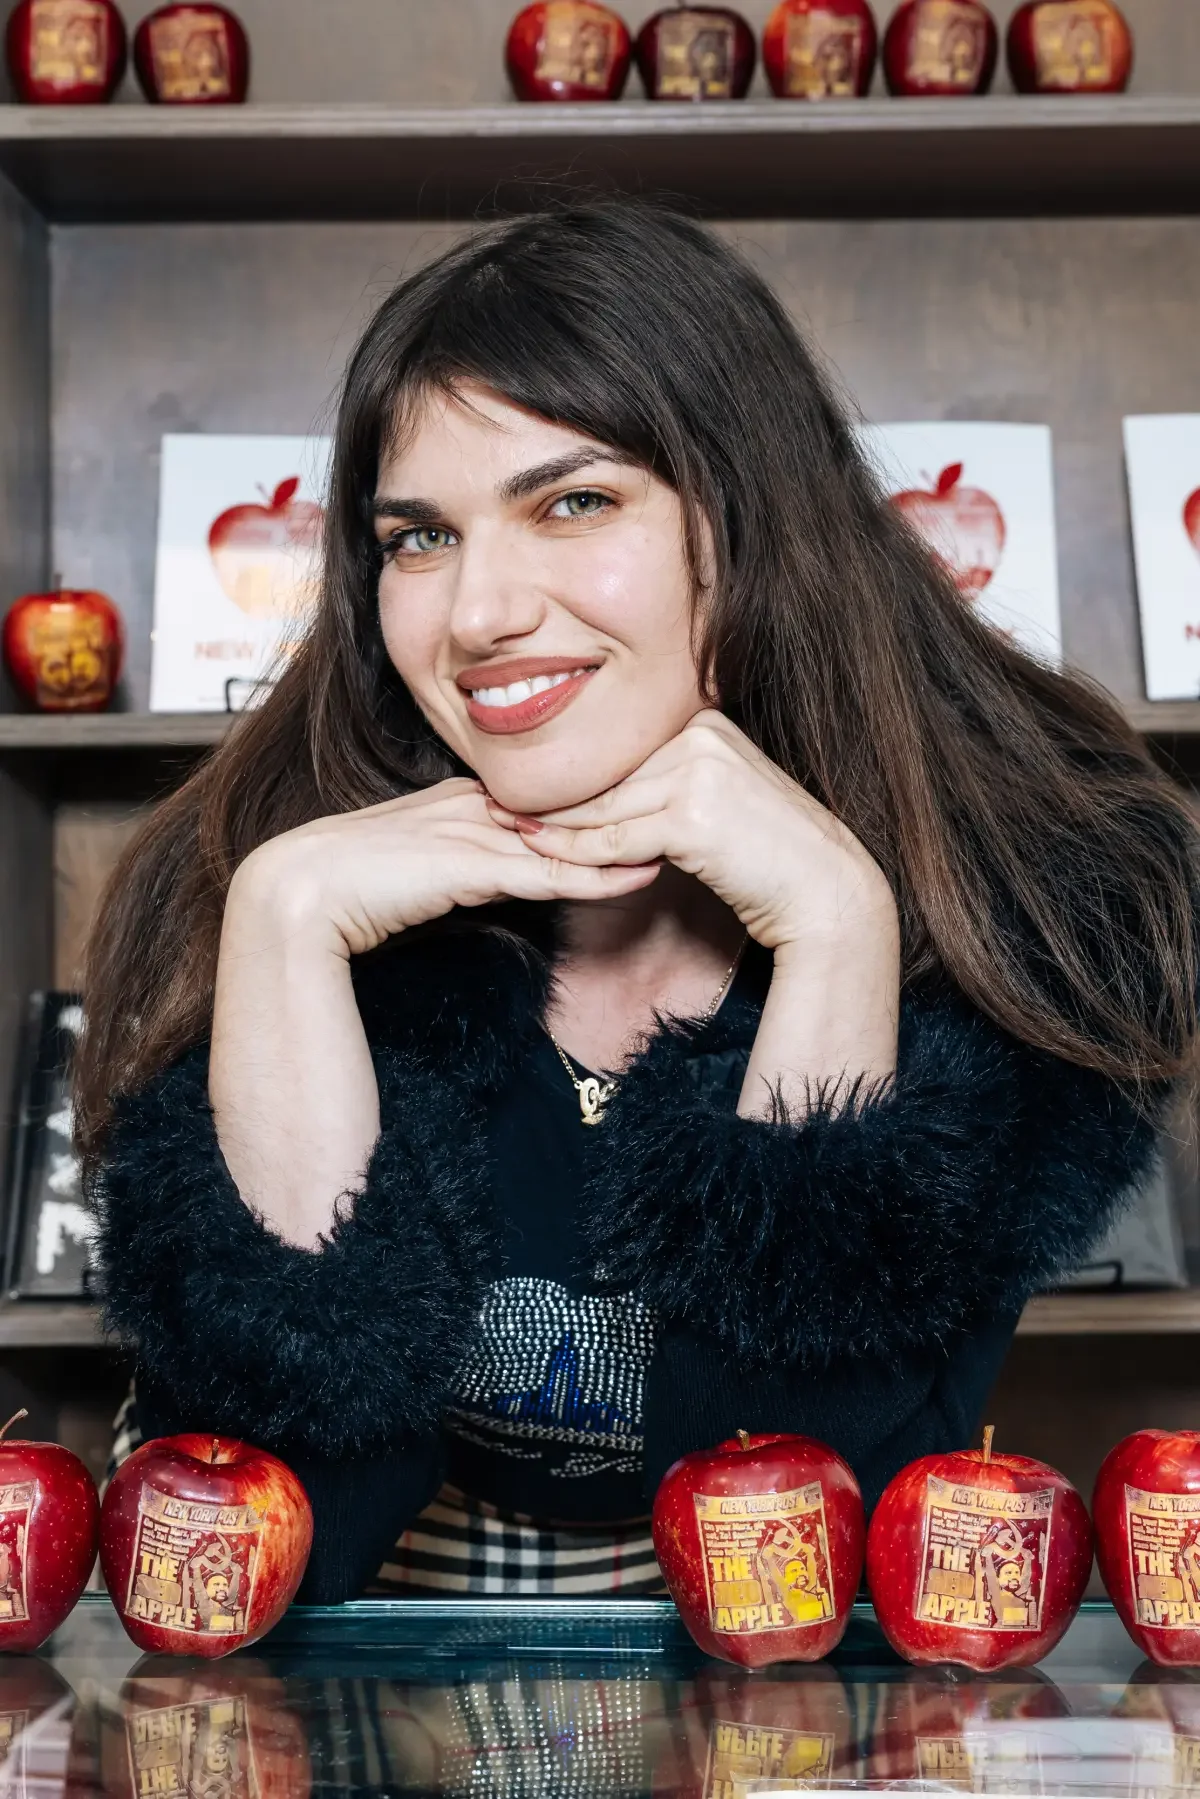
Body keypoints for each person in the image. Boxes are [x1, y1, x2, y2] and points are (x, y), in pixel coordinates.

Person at [77, 201, 1199, 1604]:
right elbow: (275, 1552)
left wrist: (835, 931)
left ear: (743, 523)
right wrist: (285, 928)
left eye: (575, 501)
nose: (477, 611)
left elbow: (790, 1529)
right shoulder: (265, 863)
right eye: (417, 537)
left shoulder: (1014, 909)